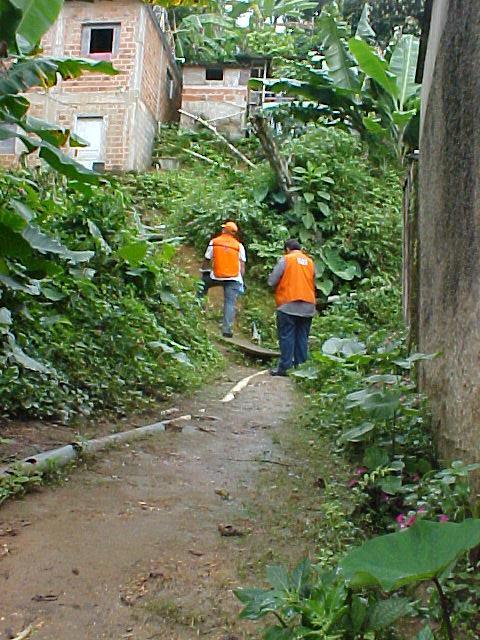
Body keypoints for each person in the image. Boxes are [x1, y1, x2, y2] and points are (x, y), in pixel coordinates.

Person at [268, 239, 316, 376]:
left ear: (287, 249)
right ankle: (301, 369)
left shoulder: (286, 259)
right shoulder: (310, 262)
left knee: (287, 335)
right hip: (308, 305)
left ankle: (285, 367)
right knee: (302, 337)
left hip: (288, 303)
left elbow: (272, 281)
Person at [201, 221, 246, 337]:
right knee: (230, 303)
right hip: (234, 278)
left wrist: (204, 271)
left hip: (216, 275)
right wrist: (241, 281)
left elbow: (207, 259)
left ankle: (198, 312)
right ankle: (227, 330)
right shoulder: (239, 246)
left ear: (224, 230)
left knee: (201, 286)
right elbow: (242, 266)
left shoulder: (214, 242)